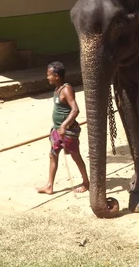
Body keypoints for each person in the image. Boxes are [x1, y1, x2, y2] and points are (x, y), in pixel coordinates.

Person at [36, 61, 89, 195]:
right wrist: (57, 127)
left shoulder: (66, 89)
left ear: (57, 76)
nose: (47, 77)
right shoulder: (57, 89)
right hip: (57, 130)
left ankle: (86, 182)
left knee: (75, 155)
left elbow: (75, 110)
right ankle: (49, 186)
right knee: (53, 155)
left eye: (49, 75)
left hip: (68, 131)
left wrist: (64, 126)